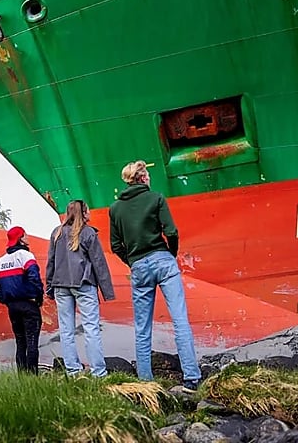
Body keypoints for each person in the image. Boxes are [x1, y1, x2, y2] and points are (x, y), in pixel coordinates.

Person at [109, 160, 202, 390]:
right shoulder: (156, 198)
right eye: (147, 175)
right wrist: (169, 254)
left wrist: (132, 261)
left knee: (142, 327)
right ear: (141, 178)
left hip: (138, 266)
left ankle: (145, 381)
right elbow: (171, 231)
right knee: (180, 320)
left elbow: (115, 245)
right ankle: (191, 377)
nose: (150, 178)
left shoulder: (115, 209)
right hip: (163, 260)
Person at [46, 200, 115, 377]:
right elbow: (99, 263)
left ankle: (73, 371)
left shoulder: (57, 233)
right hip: (83, 284)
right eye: (88, 211)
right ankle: (98, 372)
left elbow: (51, 262)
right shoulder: (88, 233)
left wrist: (49, 288)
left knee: (66, 330)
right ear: (83, 213)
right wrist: (107, 291)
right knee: (91, 328)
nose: (90, 213)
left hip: (60, 285)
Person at [0, 226, 45, 374]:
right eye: (25, 235)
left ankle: (22, 377)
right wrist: (38, 296)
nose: (28, 237)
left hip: (12, 307)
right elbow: (34, 276)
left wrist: (4, 300)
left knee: (20, 342)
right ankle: (33, 377)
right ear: (21, 239)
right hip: (28, 304)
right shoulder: (25, 256)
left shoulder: (1, 261)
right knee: (32, 342)